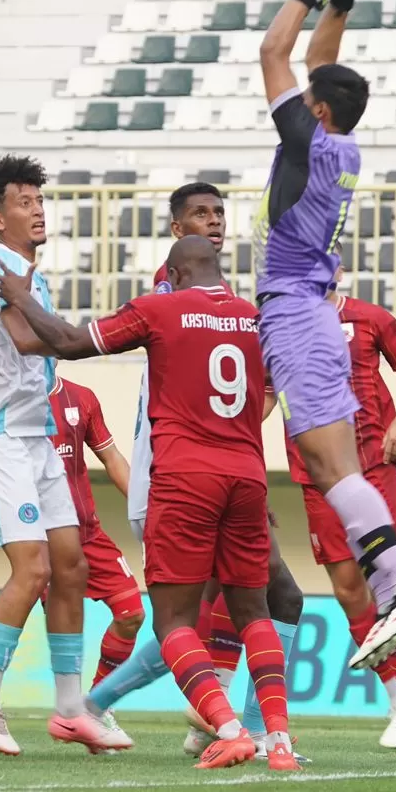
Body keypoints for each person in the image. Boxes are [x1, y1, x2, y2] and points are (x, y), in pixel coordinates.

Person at [0, 235, 300, 772]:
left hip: (185, 479)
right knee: (256, 612)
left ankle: (226, 728)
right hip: (248, 476)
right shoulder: (254, 318)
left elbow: (65, 341)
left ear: (174, 275)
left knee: (174, 620)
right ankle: (279, 743)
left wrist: (21, 296)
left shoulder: (159, 309)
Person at [258, 0, 396, 669]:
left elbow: (274, 51)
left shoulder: (309, 139)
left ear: (316, 109)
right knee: (336, 471)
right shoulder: (342, 141)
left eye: (310, 95)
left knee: (334, 472)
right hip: (312, 309)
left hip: (296, 313)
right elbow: (321, 62)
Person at [86, 182, 305, 762]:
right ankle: (240, 726)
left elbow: (254, 392)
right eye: (200, 215)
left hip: (217, 469)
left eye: (219, 213)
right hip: (177, 472)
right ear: (178, 230)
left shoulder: (226, 300)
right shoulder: (176, 289)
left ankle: (211, 718)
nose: (214, 222)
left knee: (240, 600)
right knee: (246, 600)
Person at [0, 154, 127, 757]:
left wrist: (59, 324)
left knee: (71, 566)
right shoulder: (1, 269)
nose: (37, 211)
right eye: (23, 203)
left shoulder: (29, 275)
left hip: (36, 436)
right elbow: (32, 338)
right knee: (34, 570)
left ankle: (72, 707)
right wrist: (79, 334)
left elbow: (43, 333)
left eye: (40, 201)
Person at [292, 282, 396, 748]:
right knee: (348, 589)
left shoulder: (370, 317)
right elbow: (268, 394)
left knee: (383, 580)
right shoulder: (280, 323)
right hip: (313, 471)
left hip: (372, 464)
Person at [0, 374, 139, 742]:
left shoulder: (82, 397)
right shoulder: (6, 397)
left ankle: (97, 704)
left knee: (132, 613)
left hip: (90, 533)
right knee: (57, 622)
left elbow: (111, 456)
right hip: (42, 538)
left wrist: (149, 508)